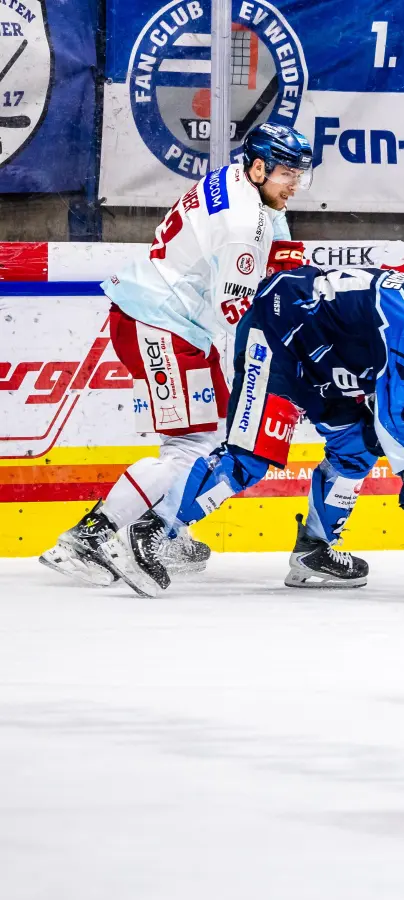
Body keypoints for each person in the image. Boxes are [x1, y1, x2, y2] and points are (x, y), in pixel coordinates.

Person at [103, 247, 404, 594]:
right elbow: (398, 403)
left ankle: (314, 549)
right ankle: (153, 530)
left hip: (323, 361)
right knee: (250, 455)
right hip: (278, 335)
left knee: (358, 446)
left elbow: (389, 394)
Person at [40, 124, 312, 587]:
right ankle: (93, 535)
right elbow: (234, 312)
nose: (295, 185)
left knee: (215, 434)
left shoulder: (235, 179)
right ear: (260, 167)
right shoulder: (243, 225)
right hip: (163, 327)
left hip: (166, 320)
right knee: (191, 446)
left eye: (301, 174)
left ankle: (163, 525)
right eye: (288, 173)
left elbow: (271, 237)